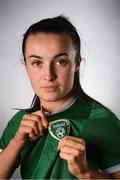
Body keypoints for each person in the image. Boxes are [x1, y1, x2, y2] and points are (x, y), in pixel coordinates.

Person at [0, 16, 120, 179]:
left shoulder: (102, 120)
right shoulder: (20, 123)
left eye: (60, 61)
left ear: (77, 63)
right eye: (37, 63)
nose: (48, 75)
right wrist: (16, 144)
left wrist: (86, 173)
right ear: (26, 65)